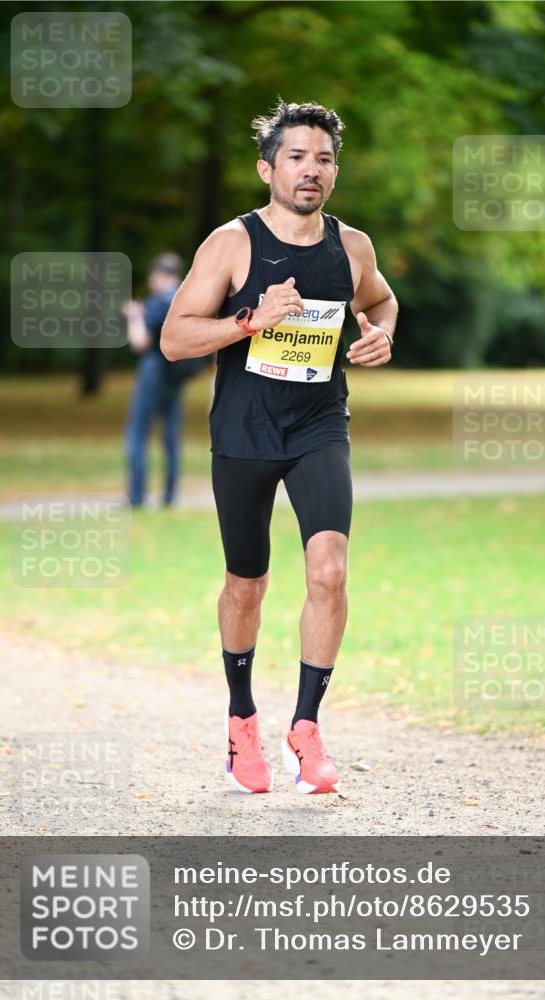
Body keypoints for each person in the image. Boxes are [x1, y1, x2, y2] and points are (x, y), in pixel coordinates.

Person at [161, 99, 398, 794]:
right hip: (244, 431)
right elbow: (175, 338)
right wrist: (249, 320)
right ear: (268, 169)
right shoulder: (231, 244)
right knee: (247, 583)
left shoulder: (352, 247)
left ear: (334, 172)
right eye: (296, 157)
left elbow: (380, 301)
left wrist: (381, 333)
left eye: (323, 159)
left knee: (329, 572)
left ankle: (306, 729)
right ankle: (242, 721)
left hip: (319, 425)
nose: (310, 169)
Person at [122, 253, 189, 507]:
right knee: (171, 436)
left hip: (153, 370)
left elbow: (140, 342)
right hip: (176, 372)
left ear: (157, 275)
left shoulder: (157, 302)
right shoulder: (183, 300)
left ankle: (137, 496)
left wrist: (134, 317)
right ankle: (170, 495)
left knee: (138, 433)